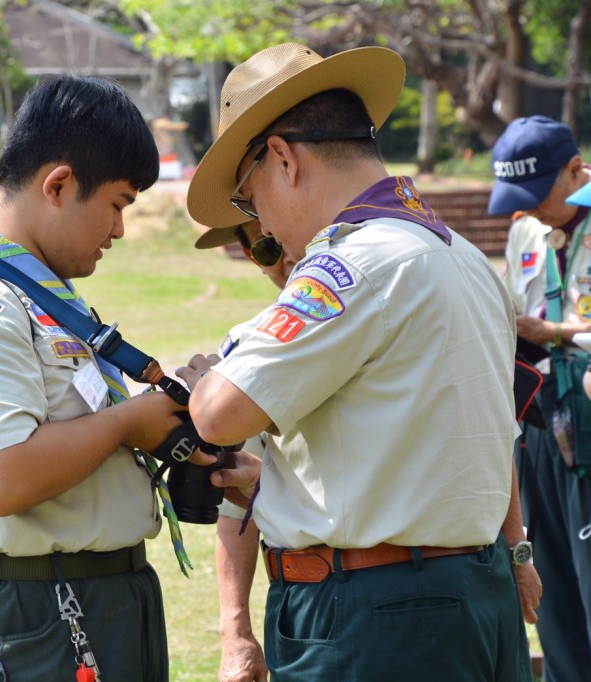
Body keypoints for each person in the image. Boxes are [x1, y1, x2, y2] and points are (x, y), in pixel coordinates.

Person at [180, 42, 536, 680]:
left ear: (283, 159)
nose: (257, 221)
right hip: (473, 594)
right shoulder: (465, 259)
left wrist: (207, 379)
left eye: (247, 194)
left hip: (378, 617)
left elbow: (217, 414)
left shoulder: (350, 267)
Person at [0, 74, 185, 681]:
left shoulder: (43, 298)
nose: (121, 230)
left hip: (77, 606)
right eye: (119, 204)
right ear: (59, 184)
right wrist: (130, 422)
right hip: (26, 625)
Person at [487, 115, 591, 682]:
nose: (525, 209)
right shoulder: (527, 229)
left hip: (590, 421)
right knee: (553, 600)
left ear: (577, 170)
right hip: (538, 424)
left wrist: (555, 333)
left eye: (536, 193)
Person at [194, 220, 296, 682]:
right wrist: (235, 633)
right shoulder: (247, 348)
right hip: (306, 602)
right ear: (253, 257)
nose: (290, 256)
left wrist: (516, 546)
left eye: (297, 234)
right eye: (270, 248)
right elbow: (236, 508)